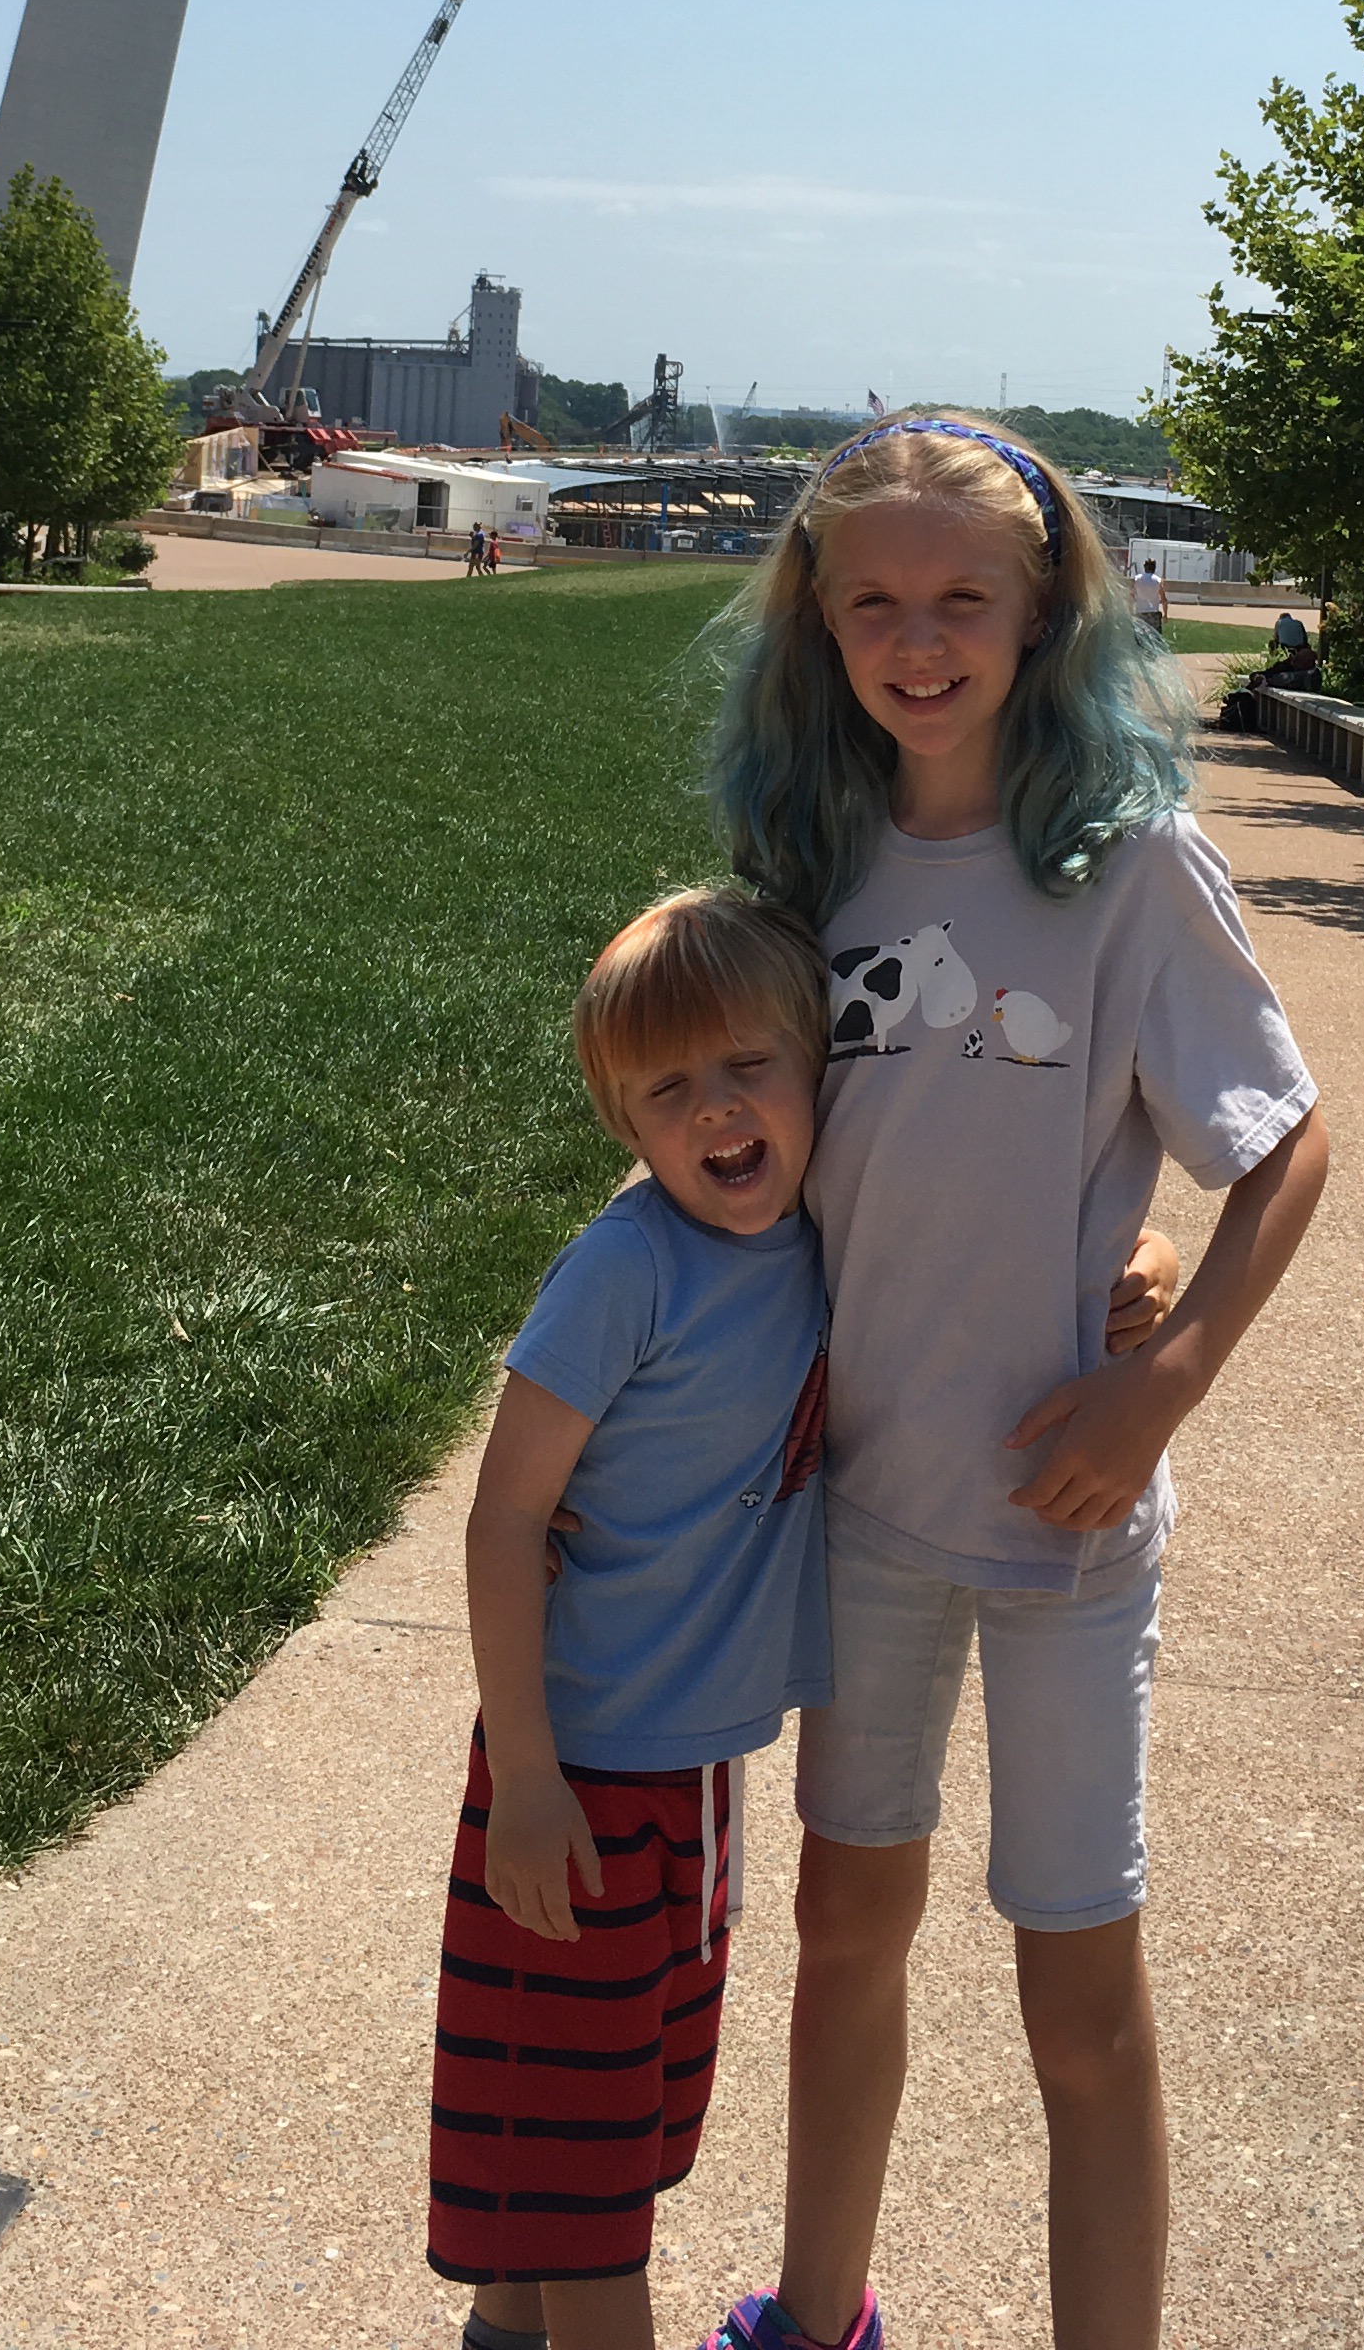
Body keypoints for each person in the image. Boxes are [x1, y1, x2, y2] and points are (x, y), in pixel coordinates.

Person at [695, 417, 1329, 2350]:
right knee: (842, 1934)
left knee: (1080, 1995)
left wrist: (1163, 1379)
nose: (919, 641)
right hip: (863, 1502)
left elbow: (1283, 1143)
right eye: (873, 602)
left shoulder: (1132, 868)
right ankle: (818, 2317)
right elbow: (748, 1161)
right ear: (816, 621)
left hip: (1067, 1517)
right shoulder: (804, 863)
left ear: (1046, 608)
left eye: (963, 599)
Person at [429, 889, 833, 2350]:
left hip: (697, 1777)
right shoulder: (629, 1268)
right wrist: (526, 1780)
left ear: (817, 1070)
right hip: (580, 1779)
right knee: (590, 2202)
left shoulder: (822, 1234)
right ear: (625, 1126)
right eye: (669, 1091)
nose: (716, 1108)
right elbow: (504, 1518)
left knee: (590, 2143)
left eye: (749, 1066)